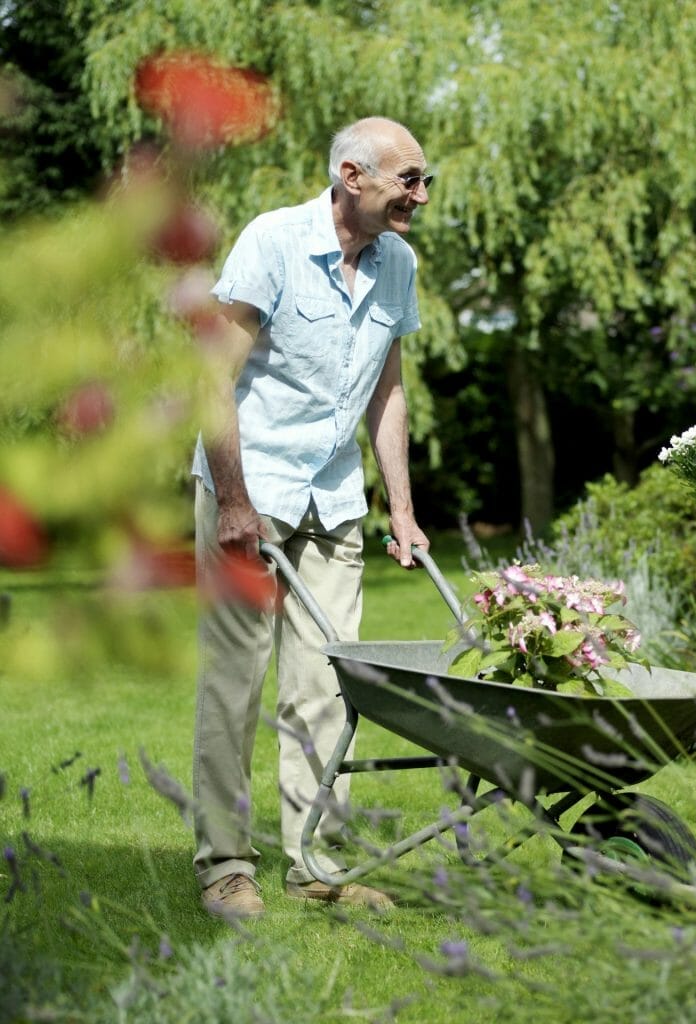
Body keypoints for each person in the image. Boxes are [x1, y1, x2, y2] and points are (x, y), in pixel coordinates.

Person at [192, 116, 432, 919]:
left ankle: (314, 861)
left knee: (330, 683)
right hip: (248, 489)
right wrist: (231, 498)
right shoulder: (274, 242)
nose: (421, 196)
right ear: (352, 176)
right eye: (409, 180)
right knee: (236, 681)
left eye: (424, 180)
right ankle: (226, 864)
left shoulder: (398, 263)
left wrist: (400, 507)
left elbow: (387, 388)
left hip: (332, 496)